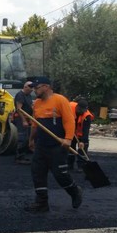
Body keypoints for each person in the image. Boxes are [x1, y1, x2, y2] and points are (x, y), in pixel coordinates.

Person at [26, 77, 83, 213]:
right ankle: (42, 203)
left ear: (46, 87)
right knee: (37, 172)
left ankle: (75, 192)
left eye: (37, 87)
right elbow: (35, 124)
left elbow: (69, 121)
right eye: (33, 88)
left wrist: (68, 139)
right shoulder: (37, 103)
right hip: (41, 145)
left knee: (60, 174)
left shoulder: (60, 100)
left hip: (57, 145)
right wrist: (31, 139)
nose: (34, 90)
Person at [68, 98, 94, 172]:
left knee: (84, 146)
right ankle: (70, 164)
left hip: (80, 133)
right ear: (77, 107)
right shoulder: (69, 107)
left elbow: (86, 130)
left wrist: (82, 141)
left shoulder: (87, 116)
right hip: (71, 131)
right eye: (82, 110)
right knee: (70, 148)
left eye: (84, 110)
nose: (83, 112)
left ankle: (81, 166)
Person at [13, 81, 34, 164]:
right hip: (20, 119)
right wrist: (24, 120)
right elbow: (19, 109)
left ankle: (22, 155)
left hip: (27, 118)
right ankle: (18, 157)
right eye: (30, 87)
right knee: (22, 137)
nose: (32, 89)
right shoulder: (20, 95)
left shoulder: (28, 95)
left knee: (26, 137)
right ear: (25, 87)